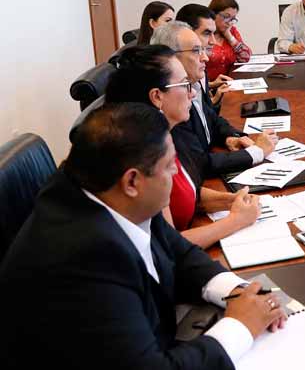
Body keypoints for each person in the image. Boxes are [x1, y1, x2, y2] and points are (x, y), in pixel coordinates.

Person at [0, 102, 286, 369]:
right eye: (170, 165)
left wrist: (239, 294)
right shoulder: (87, 258)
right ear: (133, 181)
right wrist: (241, 326)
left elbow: (179, 252)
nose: (176, 173)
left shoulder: (108, 191)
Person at [105, 44, 262, 248]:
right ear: (157, 96)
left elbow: (187, 193)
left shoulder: (166, 134)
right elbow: (169, 247)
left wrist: (231, 201)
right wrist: (236, 220)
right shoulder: (143, 157)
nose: (193, 94)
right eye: (185, 84)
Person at [152, 21, 277, 178]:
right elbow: (198, 164)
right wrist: (257, 152)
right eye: (196, 51)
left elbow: (211, 118)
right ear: (170, 58)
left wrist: (230, 137)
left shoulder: (195, 81)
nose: (206, 57)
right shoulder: (170, 100)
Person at [176, 3, 232, 108]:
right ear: (187, 33)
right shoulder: (178, 79)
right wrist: (215, 100)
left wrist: (212, 84)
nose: (213, 41)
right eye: (207, 33)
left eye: (213, 33)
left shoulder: (200, 62)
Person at [206, 0, 252, 82]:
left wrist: (229, 36)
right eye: (226, 17)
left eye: (232, 19)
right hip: (209, 86)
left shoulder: (232, 31)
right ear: (213, 14)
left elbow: (245, 58)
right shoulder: (203, 34)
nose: (229, 22)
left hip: (231, 82)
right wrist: (211, 85)